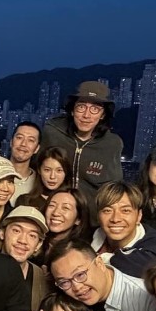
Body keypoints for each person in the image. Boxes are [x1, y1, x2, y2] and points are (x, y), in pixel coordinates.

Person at [40, 81, 123, 222]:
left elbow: (114, 189)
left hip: (92, 221)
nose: (86, 115)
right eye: (81, 107)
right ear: (72, 110)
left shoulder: (112, 144)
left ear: (102, 115)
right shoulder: (53, 133)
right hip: (53, 216)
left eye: (95, 109)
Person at [91, 181, 156, 278]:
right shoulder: (88, 236)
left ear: (139, 216)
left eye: (125, 210)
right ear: (98, 215)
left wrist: (103, 259)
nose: (115, 219)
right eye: (107, 211)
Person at [0, 205, 48, 311]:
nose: (23, 240)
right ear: (2, 233)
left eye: (32, 236)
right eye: (16, 231)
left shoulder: (40, 277)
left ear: (38, 245)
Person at [17, 146, 72, 213]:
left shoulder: (73, 202)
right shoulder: (25, 201)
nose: (52, 176)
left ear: (66, 172)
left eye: (59, 170)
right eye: (47, 170)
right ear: (39, 170)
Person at [42, 187, 90, 258]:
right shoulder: (35, 242)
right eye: (52, 205)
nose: (55, 213)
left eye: (65, 208)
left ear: (78, 219)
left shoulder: (79, 253)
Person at [9, 122, 41, 204]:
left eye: (31, 140)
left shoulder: (39, 181)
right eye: (19, 138)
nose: (23, 144)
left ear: (37, 148)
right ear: (11, 142)